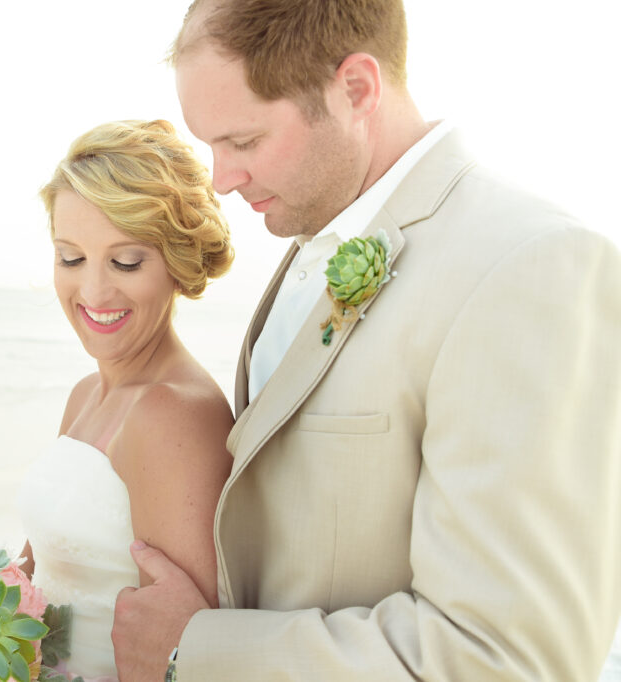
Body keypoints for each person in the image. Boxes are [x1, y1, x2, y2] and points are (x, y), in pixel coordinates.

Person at [111, 1, 621, 680]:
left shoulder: (529, 265)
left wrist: (196, 651)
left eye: (244, 142)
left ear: (356, 89)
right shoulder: (311, 240)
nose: (220, 180)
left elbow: (503, 658)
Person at [18, 119, 236, 681]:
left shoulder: (173, 414)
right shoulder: (85, 395)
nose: (92, 292)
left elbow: (182, 656)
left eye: (126, 262)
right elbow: (31, 582)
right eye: (71, 258)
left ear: (178, 263)